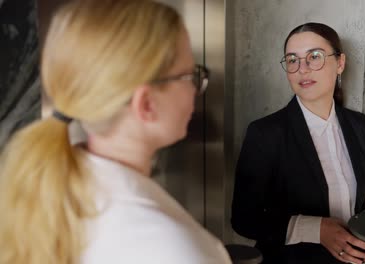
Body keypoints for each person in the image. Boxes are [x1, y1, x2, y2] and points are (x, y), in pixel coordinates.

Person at [0, 1, 231, 264]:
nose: (195, 88)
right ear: (146, 104)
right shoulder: (174, 249)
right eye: (191, 76)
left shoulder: (44, 191)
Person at [231, 22, 365, 264]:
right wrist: (317, 229)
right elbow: (243, 219)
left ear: (340, 63)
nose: (302, 68)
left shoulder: (359, 125)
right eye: (292, 60)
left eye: (315, 57)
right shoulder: (265, 133)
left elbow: (354, 198)